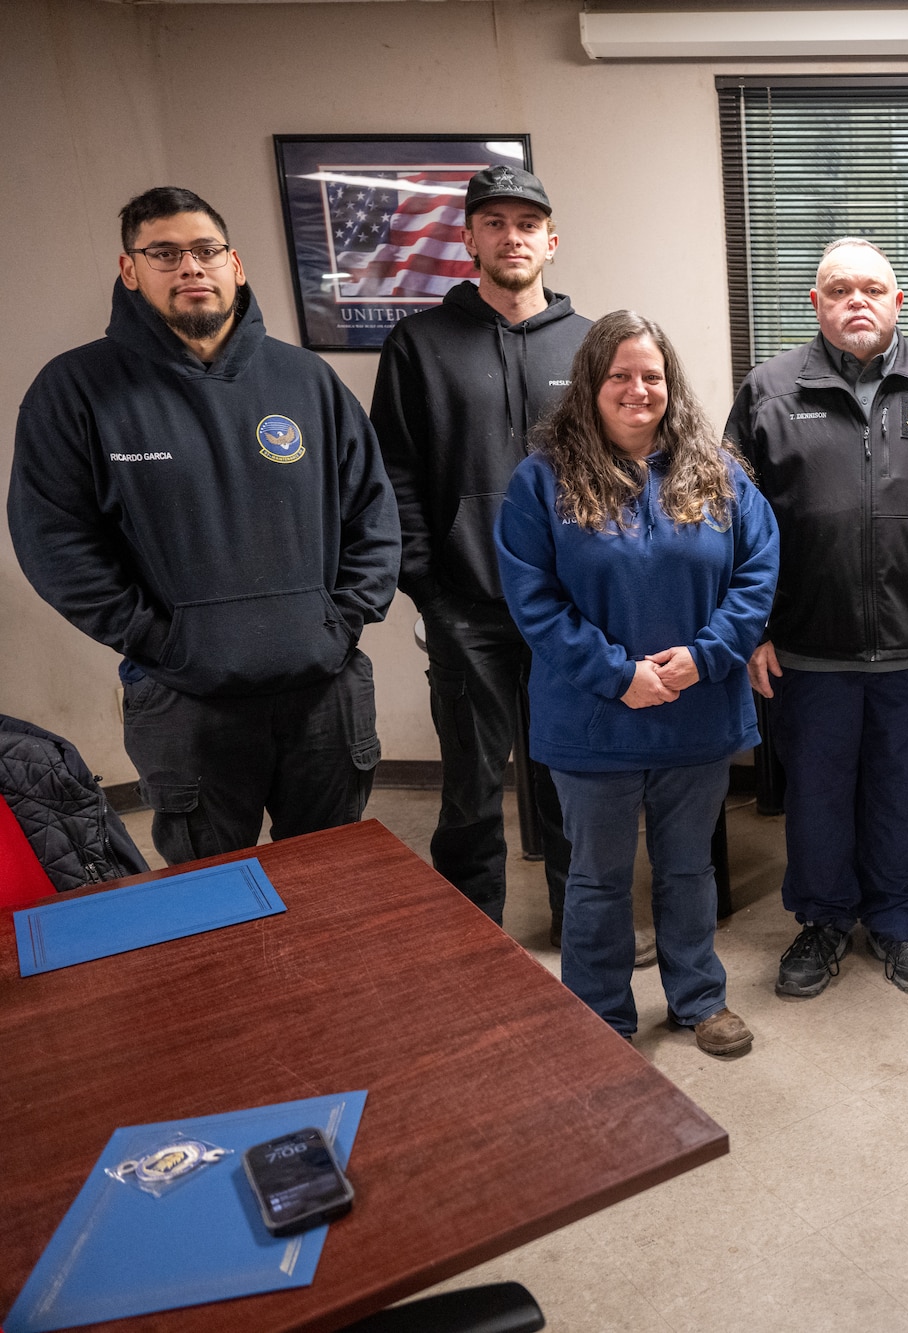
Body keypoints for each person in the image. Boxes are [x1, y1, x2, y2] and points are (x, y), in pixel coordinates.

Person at [9, 186, 398, 862]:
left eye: (206, 250)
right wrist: (159, 639)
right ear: (130, 271)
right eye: (164, 252)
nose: (190, 267)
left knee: (338, 882)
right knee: (215, 901)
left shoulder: (306, 380)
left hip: (323, 692)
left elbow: (373, 509)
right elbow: (54, 540)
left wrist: (342, 620)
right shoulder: (76, 390)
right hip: (186, 699)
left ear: (235, 264)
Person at [495, 311, 776, 1053]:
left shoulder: (717, 471)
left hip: (697, 708)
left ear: (670, 383)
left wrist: (707, 654)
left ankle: (698, 999)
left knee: (689, 870)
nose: (636, 388)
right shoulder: (541, 480)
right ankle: (600, 1016)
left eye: (651, 374)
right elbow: (534, 601)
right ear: (590, 383)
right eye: (619, 374)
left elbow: (756, 576)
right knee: (596, 880)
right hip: (594, 719)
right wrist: (619, 675)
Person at [726, 238, 908, 999]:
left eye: (872, 289)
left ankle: (894, 919)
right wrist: (750, 627)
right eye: (839, 289)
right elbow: (729, 524)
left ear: (898, 300)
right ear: (814, 303)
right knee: (815, 794)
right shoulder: (768, 392)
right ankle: (820, 921)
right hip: (807, 648)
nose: (857, 302)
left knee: (899, 788)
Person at [372, 163, 589, 937]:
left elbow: (619, 470)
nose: (512, 237)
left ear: (552, 240)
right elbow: (391, 471)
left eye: (526, 224)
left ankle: (583, 923)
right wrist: (426, 585)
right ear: (468, 239)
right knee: (469, 790)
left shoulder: (590, 344)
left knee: (573, 777)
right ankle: (474, 939)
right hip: (469, 606)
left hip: (573, 612)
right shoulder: (420, 344)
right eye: (494, 223)